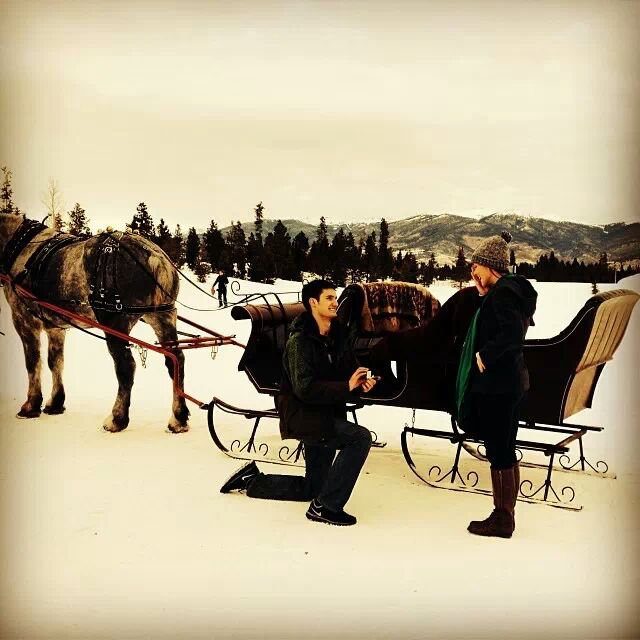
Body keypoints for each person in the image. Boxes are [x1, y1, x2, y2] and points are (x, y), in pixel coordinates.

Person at [220, 279, 377, 526]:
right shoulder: (299, 342)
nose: (335, 303)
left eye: (335, 298)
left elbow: (348, 370)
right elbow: (304, 389)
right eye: (329, 298)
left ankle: (252, 480)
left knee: (312, 487)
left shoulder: (337, 335)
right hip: (305, 416)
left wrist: (360, 383)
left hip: (328, 412)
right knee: (360, 438)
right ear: (313, 302)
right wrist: (346, 386)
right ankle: (326, 507)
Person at [457, 232, 537, 538]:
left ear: (490, 265)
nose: (473, 272)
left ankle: (502, 519)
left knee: (499, 450)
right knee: (505, 447)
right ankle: (506, 514)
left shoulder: (503, 294)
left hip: (499, 385)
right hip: (511, 382)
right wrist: (482, 293)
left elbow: (511, 333)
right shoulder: (510, 290)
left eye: (476, 266)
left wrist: (483, 356)